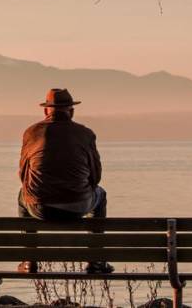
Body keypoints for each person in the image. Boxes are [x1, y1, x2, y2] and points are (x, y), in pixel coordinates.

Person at [16, 88, 114, 274]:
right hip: (78, 206)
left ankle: (29, 260)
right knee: (100, 194)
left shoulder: (31, 133)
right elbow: (96, 177)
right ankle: (97, 261)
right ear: (71, 111)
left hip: (40, 209)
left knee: (23, 194)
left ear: (46, 110)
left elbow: (23, 175)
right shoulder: (85, 134)